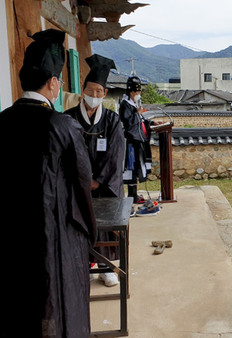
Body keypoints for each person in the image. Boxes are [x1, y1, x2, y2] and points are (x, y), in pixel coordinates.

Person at [0, 29, 96, 337]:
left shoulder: (2, 121)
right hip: (53, 235)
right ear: (53, 83)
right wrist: (89, 232)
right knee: (56, 303)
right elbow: (83, 183)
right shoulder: (61, 125)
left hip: (11, 236)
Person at [65, 54, 124, 287]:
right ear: (83, 91)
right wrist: (80, 180)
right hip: (76, 185)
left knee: (104, 227)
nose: (95, 96)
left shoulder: (112, 121)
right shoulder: (68, 119)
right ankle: (80, 266)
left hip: (103, 185)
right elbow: (65, 154)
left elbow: (116, 157)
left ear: (105, 94)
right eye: (91, 90)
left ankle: (106, 266)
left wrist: (97, 181)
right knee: (77, 225)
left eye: (99, 91)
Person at [120, 75, 153, 205]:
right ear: (132, 92)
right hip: (130, 142)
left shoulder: (133, 104)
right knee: (131, 168)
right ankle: (132, 195)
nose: (138, 94)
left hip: (137, 141)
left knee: (136, 167)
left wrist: (151, 123)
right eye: (137, 92)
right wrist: (137, 114)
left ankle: (134, 194)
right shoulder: (125, 104)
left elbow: (140, 121)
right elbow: (128, 123)